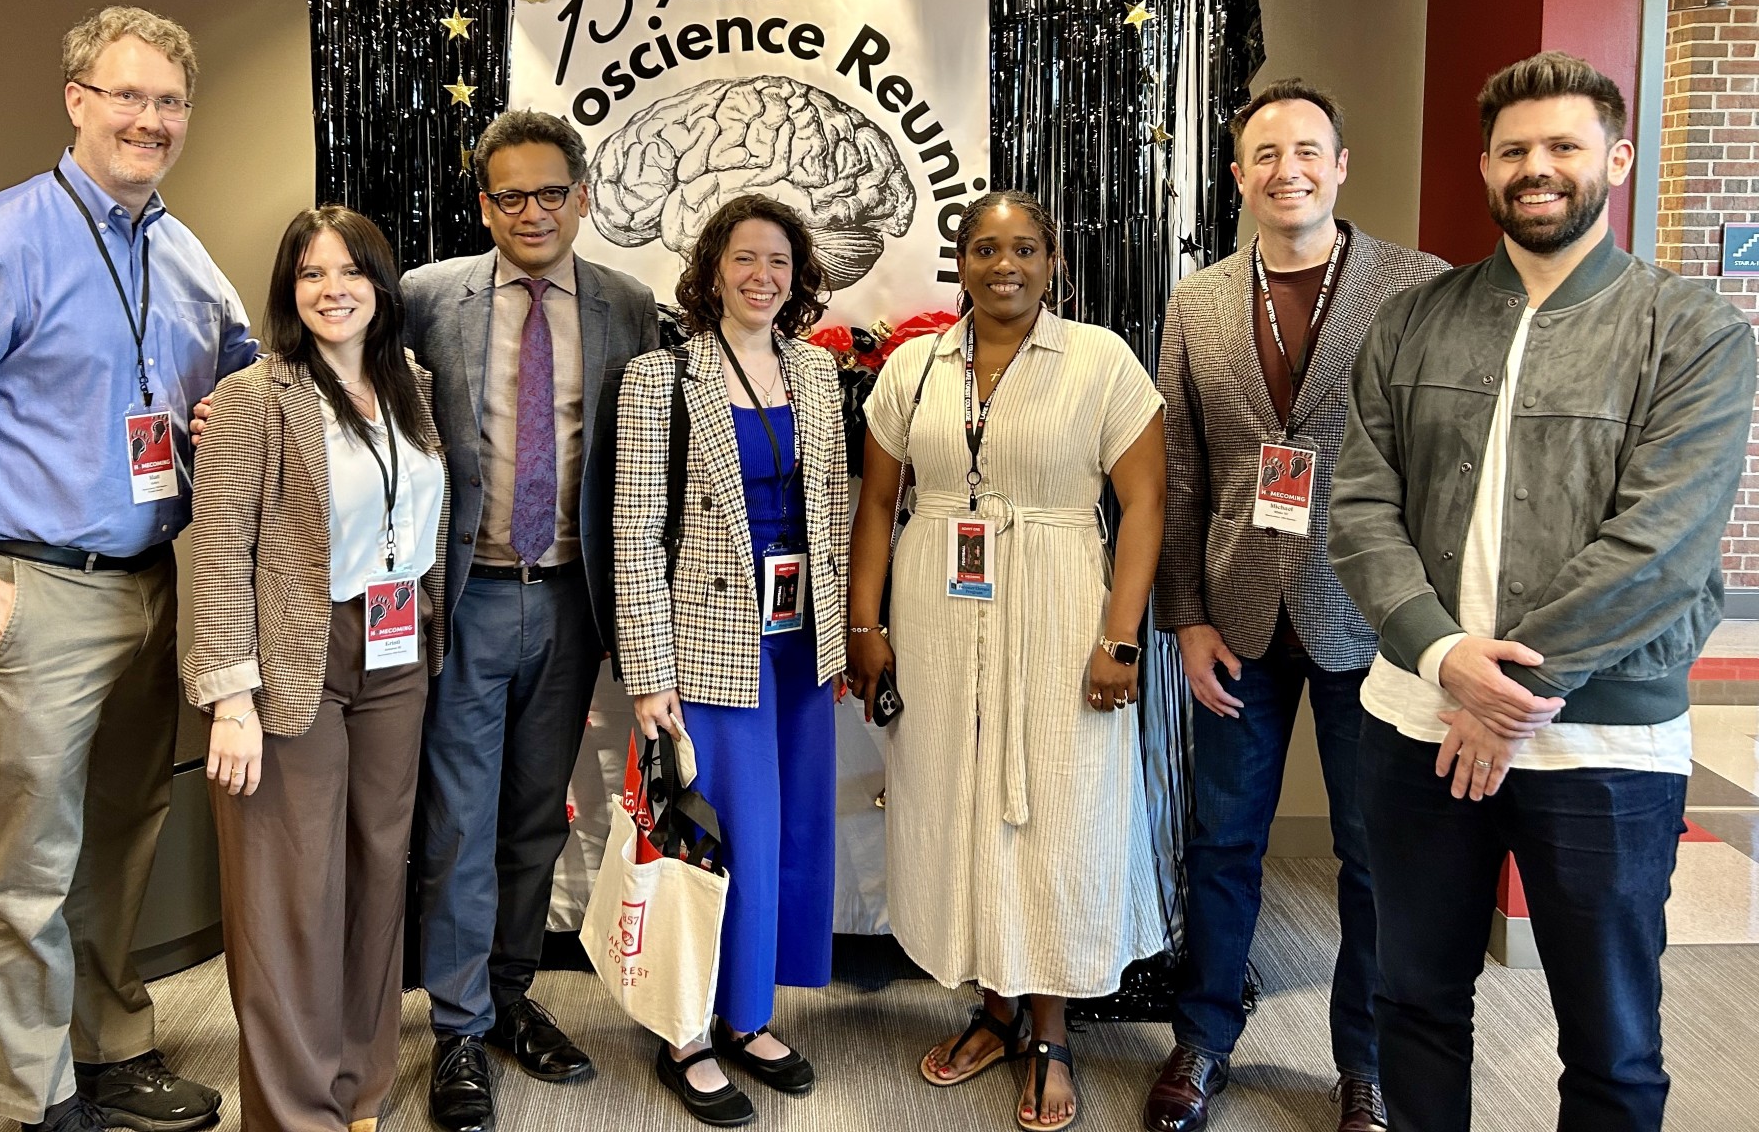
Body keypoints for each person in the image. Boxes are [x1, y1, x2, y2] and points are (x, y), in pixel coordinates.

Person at [1328, 52, 1757, 1132]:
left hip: (1600, 749)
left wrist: (1510, 688)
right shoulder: (1415, 322)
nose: (1538, 169)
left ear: (1614, 157)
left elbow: (1660, 546)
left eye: (1564, 146)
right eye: (1515, 150)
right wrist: (1440, 658)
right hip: (1416, 726)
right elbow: (1360, 508)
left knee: (1611, 1045)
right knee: (1413, 1002)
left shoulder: (1693, 331)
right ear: (1485, 167)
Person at [0, 7, 249, 1132]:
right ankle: (36, 1100)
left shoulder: (177, 246)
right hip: (39, 586)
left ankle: (111, 1046)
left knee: (122, 835)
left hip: (152, 583)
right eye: (127, 96)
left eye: (169, 102)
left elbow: (239, 360)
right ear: (76, 100)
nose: (150, 120)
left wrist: (238, 399)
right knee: (30, 863)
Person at [1148, 81, 1447, 1132]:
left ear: (1341, 164)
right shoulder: (1197, 301)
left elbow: (1444, 467)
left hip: (1376, 618)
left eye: (1308, 150)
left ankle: (1362, 1064)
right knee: (1223, 840)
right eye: (1265, 154)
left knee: (1372, 855)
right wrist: (1182, 615)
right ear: (1239, 176)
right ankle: (1202, 1039)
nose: (1288, 170)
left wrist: (1438, 632)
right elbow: (1183, 472)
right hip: (1235, 615)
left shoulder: (1417, 288)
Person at [845, 191, 1167, 1132]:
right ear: (961, 262)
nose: (1004, 265)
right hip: (939, 609)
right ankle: (993, 1006)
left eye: (1024, 247)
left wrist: (1119, 636)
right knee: (960, 797)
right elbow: (877, 505)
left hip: (1064, 605)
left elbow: (1143, 507)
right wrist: (867, 626)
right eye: (984, 248)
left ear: (1053, 261)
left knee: (1055, 806)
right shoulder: (914, 367)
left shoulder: (1101, 360)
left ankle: (1054, 1029)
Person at [403, 109, 660, 1132]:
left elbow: (642, 461)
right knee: (458, 822)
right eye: (509, 195)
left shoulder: (627, 306)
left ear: (583, 195)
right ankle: (459, 1028)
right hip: (463, 598)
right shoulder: (427, 299)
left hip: (571, 601)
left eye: (551, 192)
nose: (532, 212)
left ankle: (510, 995)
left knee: (530, 820)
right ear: (484, 205)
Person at [185, 207, 449, 1132]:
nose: (333, 289)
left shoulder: (410, 383)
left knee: (379, 875)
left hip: (398, 643)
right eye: (311, 274)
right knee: (289, 894)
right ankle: (294, 1115)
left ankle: (356, 1085)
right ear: (290, 291)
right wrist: (230, 696)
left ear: (382, 284)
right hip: (291, 654)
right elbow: (217, 549)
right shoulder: (257, 397)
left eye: (351, 271)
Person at [613, 194, 849, 1127]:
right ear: (713, 269)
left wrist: (849, 633)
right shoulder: (660, 379)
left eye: (780, 263)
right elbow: (634, 532)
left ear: (798, 277)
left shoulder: (822, 376)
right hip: (705, 647)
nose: (763, 277)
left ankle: (749, 1017)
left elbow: (832, 508)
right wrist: (648, 672)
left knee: (787, 838)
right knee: (711, 842)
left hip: (799, 645)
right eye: (745, 259)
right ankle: (685, 1032)